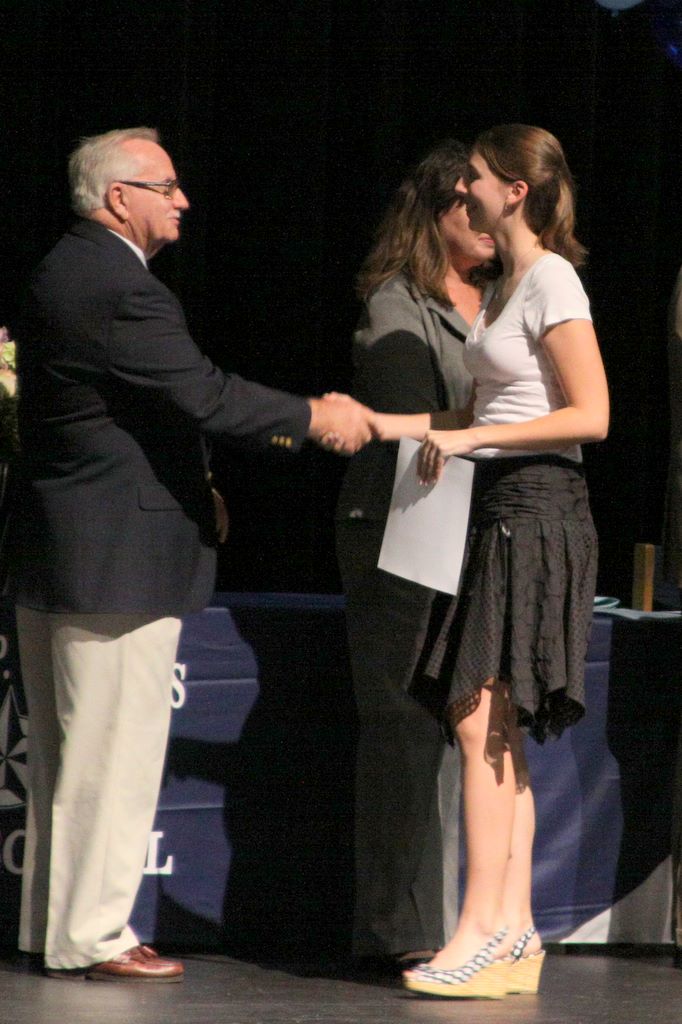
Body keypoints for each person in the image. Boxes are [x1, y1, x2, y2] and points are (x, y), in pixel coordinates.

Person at [11, 126, 372, 982]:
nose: (183, 200)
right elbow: (204, 395)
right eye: (166, 186)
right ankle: (95, 936)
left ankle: (57, 929)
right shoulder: (120, 287)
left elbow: (134, 414)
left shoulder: (62, 268)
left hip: (67, 549)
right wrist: (315, 417)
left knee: (69, 759)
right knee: (112, 756)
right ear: (118, 198)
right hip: (118, 559)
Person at [371, 123, 609, 998]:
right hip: (499, 509)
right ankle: (512, 933)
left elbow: (592, 415)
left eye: (474, 175)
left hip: (539, 512)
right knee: (492, 725)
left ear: (514, 190)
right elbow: (481, 413)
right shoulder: (507, 284)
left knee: (478, 720)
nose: (461, 187)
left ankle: (476, 934)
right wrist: (382, 424)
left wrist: (475, 438)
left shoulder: (552, 279)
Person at [335, 139, 496, 966]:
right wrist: (513, 417)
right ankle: (400, 935)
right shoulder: (397, 300)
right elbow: (405, 407)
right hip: (402, 523)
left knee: (474, 726)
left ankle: (473, 926)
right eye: (474, 201)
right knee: (405, 724)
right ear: (439, 212)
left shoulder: (511, 295)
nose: (493, 216)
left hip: (483, 525)